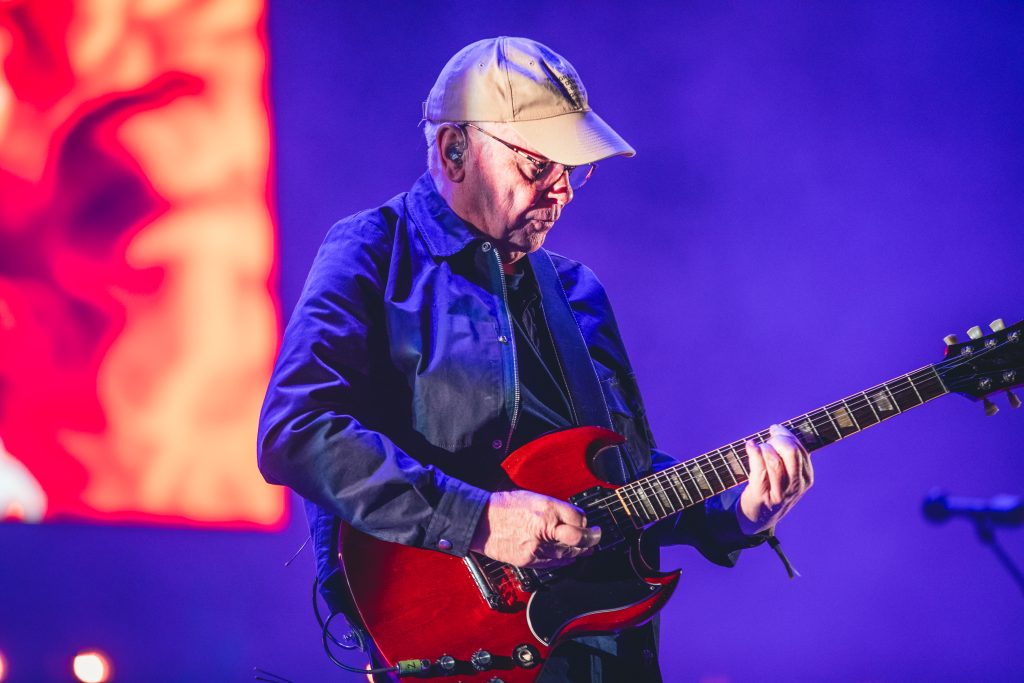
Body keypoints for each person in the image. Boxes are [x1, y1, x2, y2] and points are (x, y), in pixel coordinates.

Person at [257, 36, 813, 682]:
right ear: (454, 150)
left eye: (573, 169)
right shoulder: (374, 251)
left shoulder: (578, 292)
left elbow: (622, 477)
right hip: (462, 651)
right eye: (536, 166)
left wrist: (737, 513)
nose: (563, 191)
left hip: (608, 653)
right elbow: (296, 431)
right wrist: (479, 520)